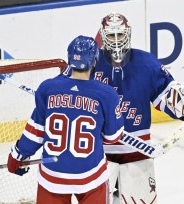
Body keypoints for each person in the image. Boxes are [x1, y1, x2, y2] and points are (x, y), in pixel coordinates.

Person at [7, 35, 124, 204]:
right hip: (91, 178)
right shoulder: (106, 94)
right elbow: (113, 137)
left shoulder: (47, 88)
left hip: (53, 178)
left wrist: (17, 155)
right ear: (95, 62)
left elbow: (36, 131)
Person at [89, 12, 184, 204]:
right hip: (99, 155)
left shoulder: (146, 63)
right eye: (111, 36)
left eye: (120, 35)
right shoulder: (91, 63)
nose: (116, 41)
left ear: (128, 34)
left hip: (137, 153)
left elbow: (166, 98)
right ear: (102, 36)